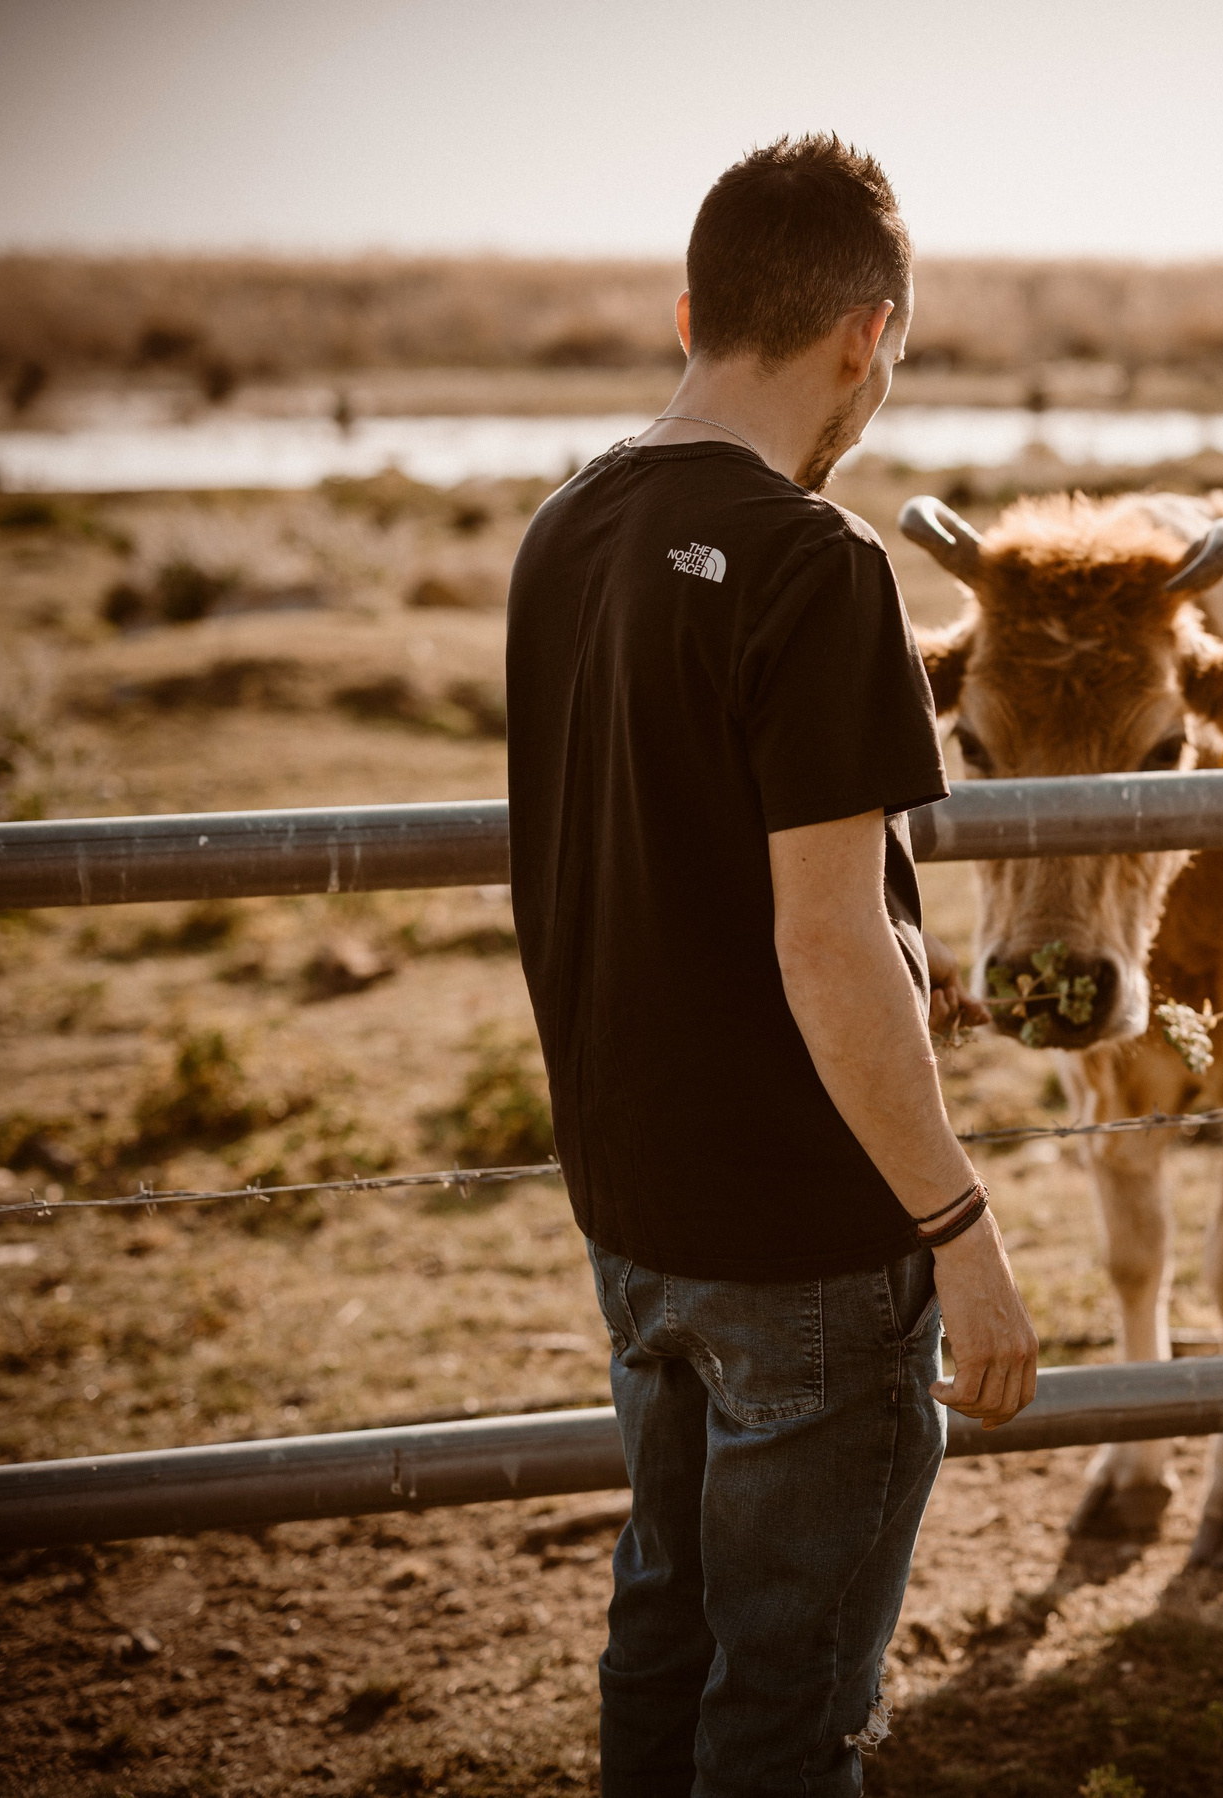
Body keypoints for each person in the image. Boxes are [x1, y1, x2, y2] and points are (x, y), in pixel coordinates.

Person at [504, 135, 1037, 1797]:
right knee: (791, 1706)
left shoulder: (562, 530)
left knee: (662, 1639)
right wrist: (963, 1226)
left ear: (692, 310)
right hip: (808, 1240)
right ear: (869, 336)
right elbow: (827, 945)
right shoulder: (822, 565)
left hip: (635, 1212)